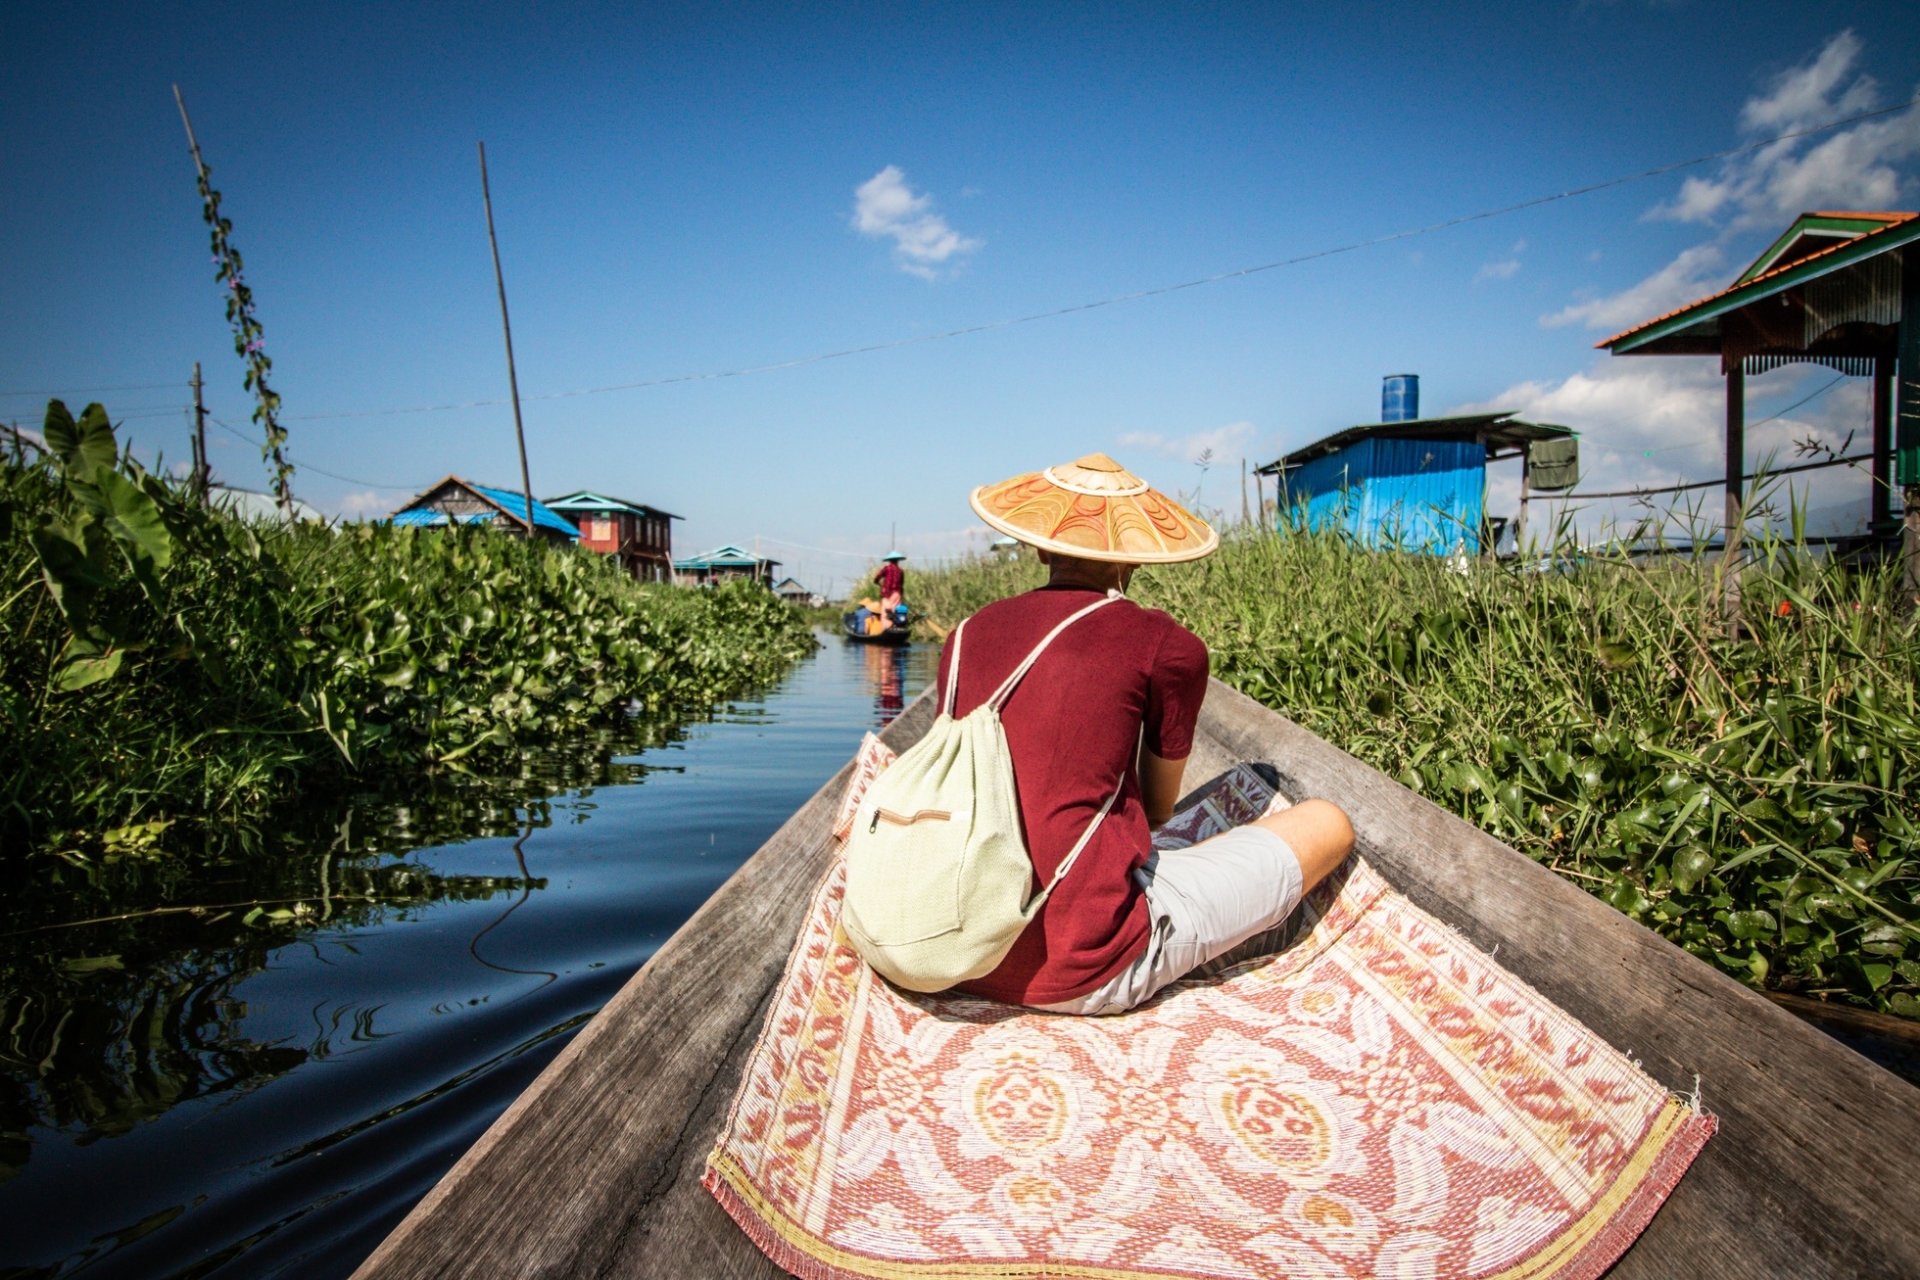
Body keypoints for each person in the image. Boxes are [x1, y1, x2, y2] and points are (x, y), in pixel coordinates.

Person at [944, 452, 1354, 1014]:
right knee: (1328, 823)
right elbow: (1161, 811)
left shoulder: (965, 635)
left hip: (946, 947)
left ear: (1040, 546)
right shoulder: (1166, 645)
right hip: (1084, 963)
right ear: (1132, 557)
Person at [874, 551, 906, 616]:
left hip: (887, 593)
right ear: (897, 561)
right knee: (896, 609)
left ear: (890, 561)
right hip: (897, 593)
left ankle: (886, 625)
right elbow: (902, 583)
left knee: (885, 610)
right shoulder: (900, 571)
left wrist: (877, 582)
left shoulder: (886, 568)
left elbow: (877, 577)